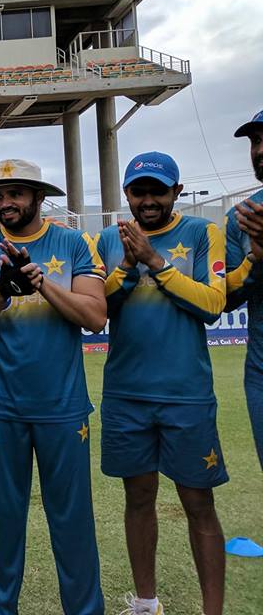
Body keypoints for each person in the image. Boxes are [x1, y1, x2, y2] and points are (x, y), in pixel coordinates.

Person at [0, 160, 106, 615]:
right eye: (0, 195)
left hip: (62, 408)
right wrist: (2, 293)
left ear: (38, 197)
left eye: (16, 193)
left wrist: (42, 283)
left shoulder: (71, 242)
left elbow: (94, 317)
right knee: (1, 526)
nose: (5, 203)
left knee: (72, 524)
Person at [96, 152, 227, 615]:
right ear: (127, 194)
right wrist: (130, 267)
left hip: (185, 395)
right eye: (138, 191)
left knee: (198, 501)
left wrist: (156, 261)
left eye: (158, 190)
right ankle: (146, 603)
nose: (148, 200)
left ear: (177, 192)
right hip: (126, 394)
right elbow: (98, 313)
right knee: (138, 498)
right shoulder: (107, 241)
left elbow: (213, 303)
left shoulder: (200, 233)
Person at [224, 108, 263, 470]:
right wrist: (255, 263)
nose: (260, 150)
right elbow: (225, 301)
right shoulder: (242, 216)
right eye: (255, 140)